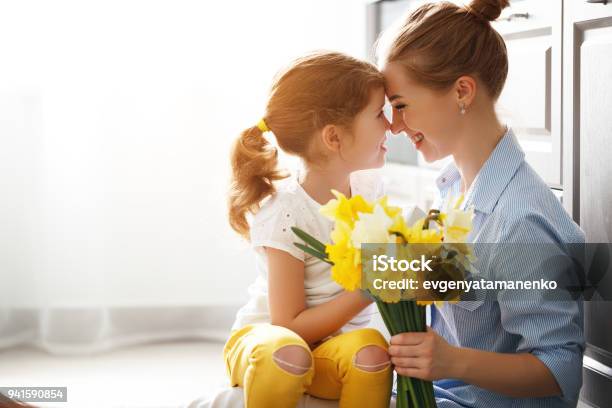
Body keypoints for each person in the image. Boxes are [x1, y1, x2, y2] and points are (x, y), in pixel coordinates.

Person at [379, 1, 585, 407]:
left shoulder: (518, 221)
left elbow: (561, 370)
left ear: (462, 91)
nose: (395, 125)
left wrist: (453, 361)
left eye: (401, 105)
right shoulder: (454, 186)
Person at [224, 51, 393, 408]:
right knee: (287, 355)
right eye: (379, 113)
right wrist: (368, 289)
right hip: (268, 341)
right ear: (334, 137)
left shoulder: (370, 189)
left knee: (373, 354)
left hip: (329, 353)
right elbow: (289, 324)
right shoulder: (286, 213)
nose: (391, 125)